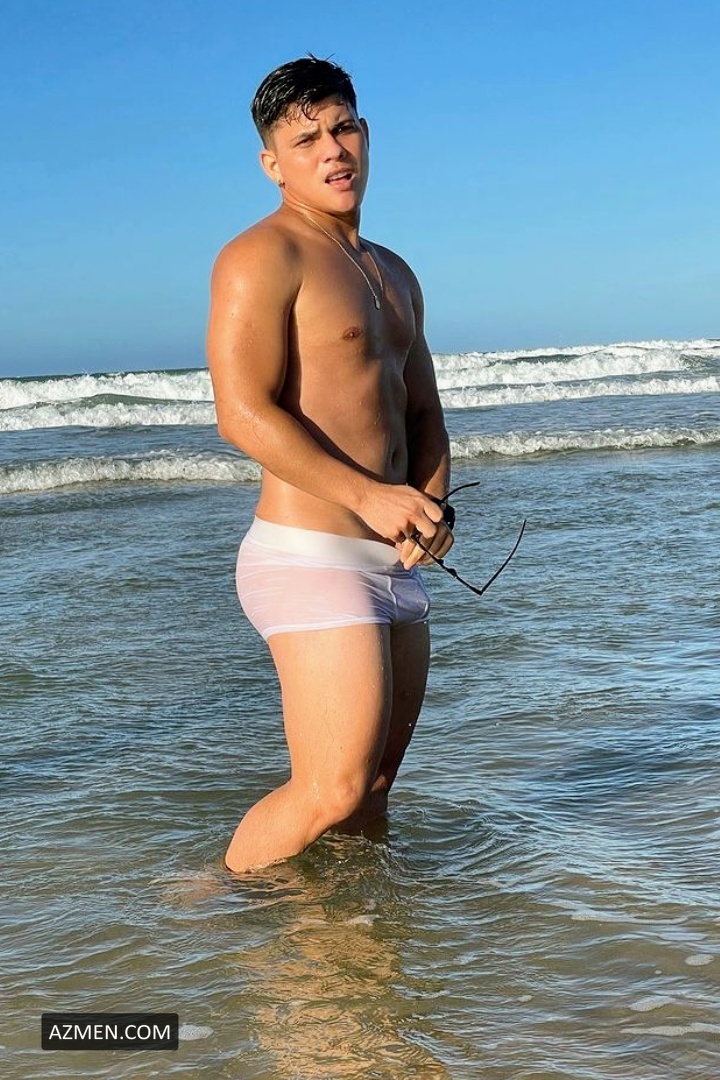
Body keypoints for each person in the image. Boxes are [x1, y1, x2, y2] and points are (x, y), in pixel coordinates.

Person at [206, 56, 453, 873]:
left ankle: (350, 932)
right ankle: (204, 906)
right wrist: (372, 497)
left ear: (366, 135)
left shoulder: (395, 272)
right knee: (332, 788)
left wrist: (430, 504)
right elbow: (242, 412)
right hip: (307, 556)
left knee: (373, 790)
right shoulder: (261, 256)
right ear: (272, 164)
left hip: (391, 563)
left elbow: (422, 409)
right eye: (306, 139)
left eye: (343, 128)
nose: (332, 149)